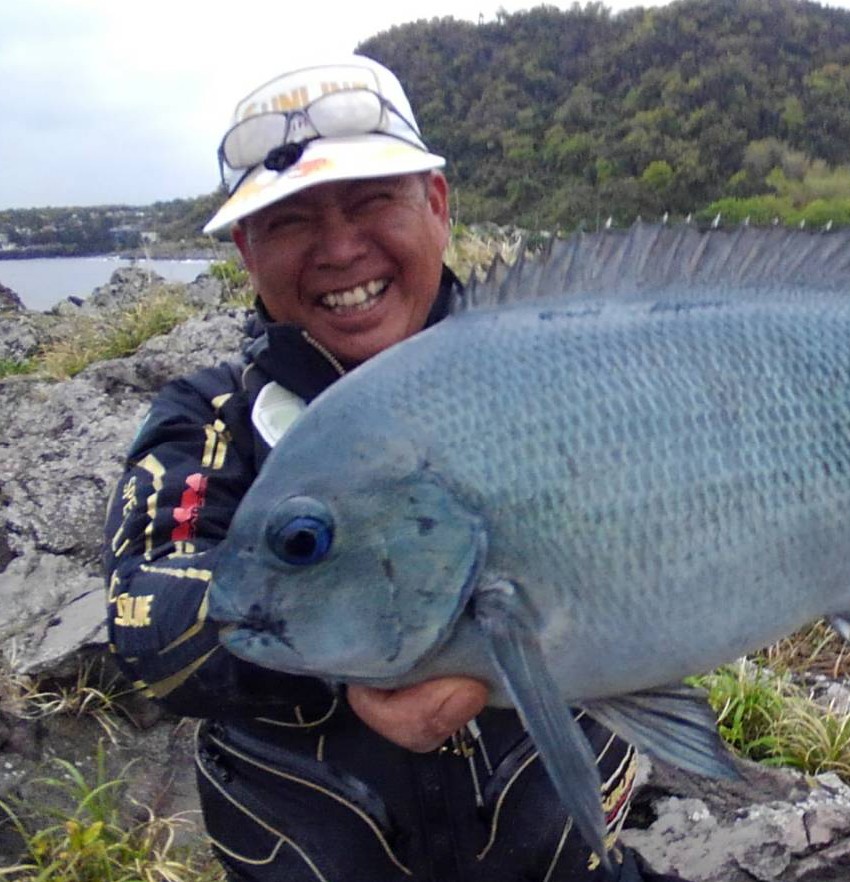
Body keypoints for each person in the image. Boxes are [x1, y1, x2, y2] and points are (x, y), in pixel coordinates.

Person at [102, 55, 680, 882]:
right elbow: (141, 607)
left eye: (374, 202)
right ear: (246, 249)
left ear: (437, 206)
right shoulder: (210, 418)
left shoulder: (571, 370)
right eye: (292, 222)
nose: (341, 249)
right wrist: (351, 666)